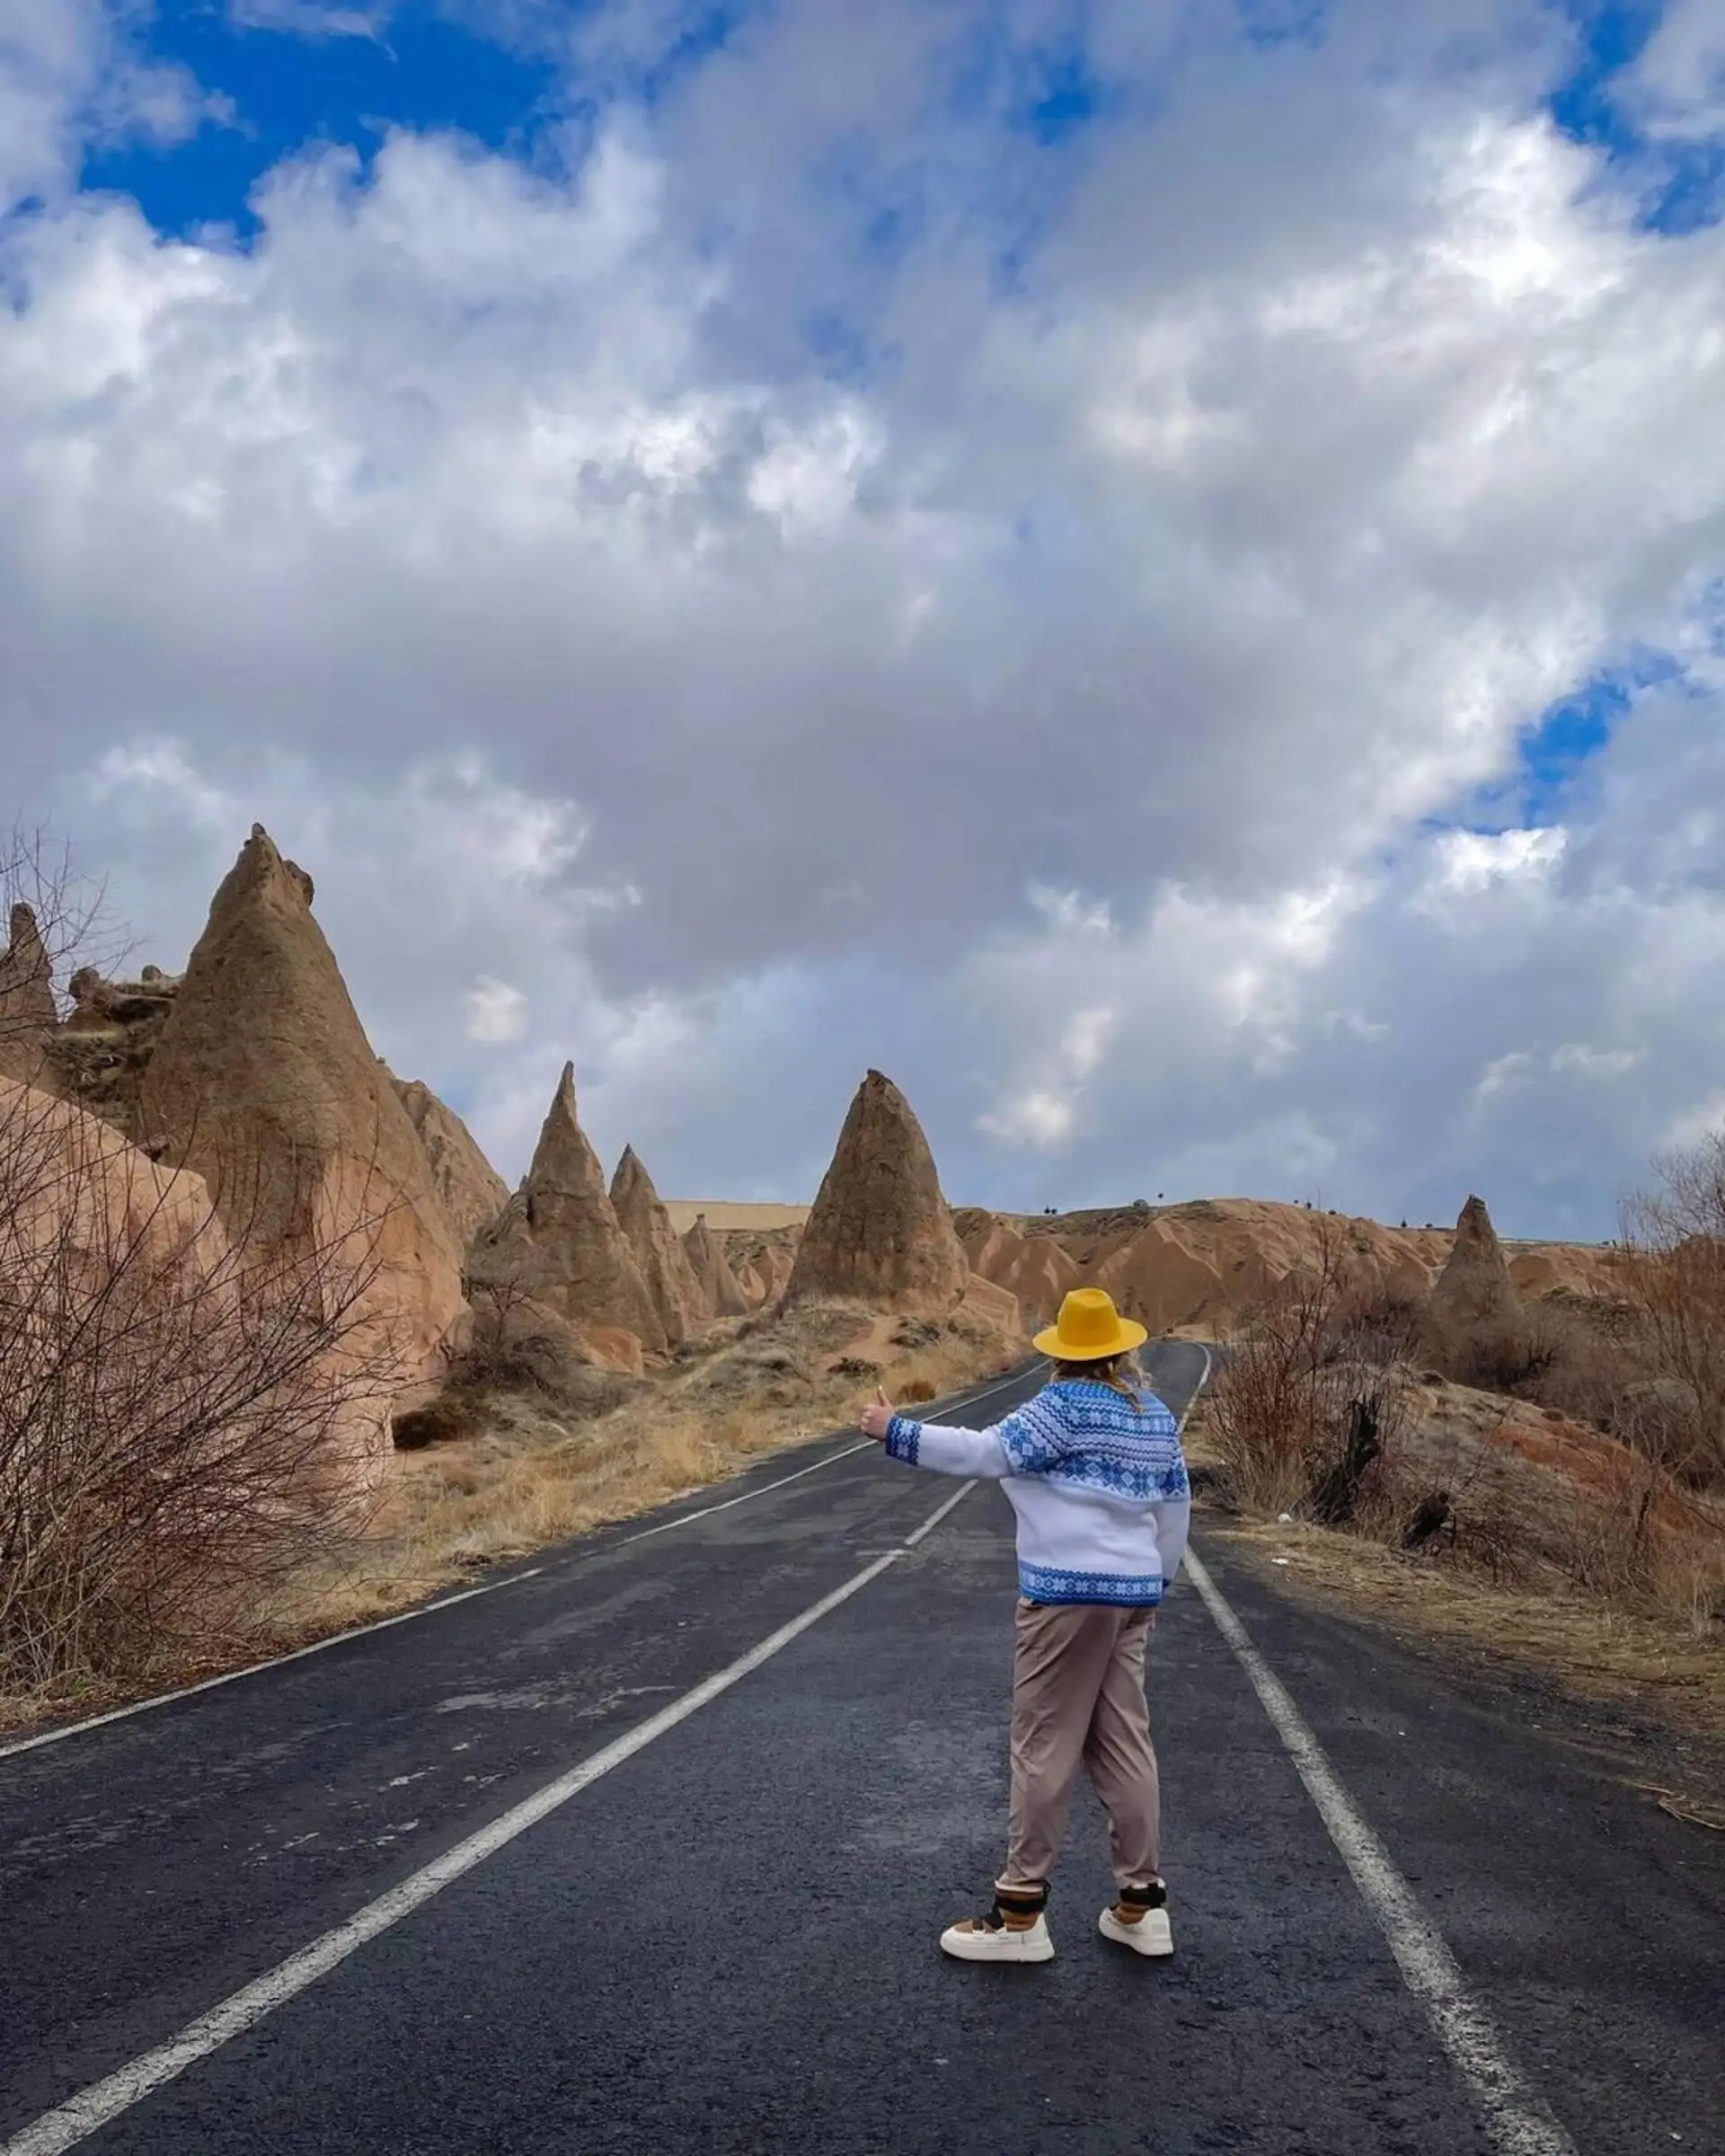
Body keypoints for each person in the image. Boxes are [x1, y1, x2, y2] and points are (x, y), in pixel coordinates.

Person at [859, 1286, 1190, 1966]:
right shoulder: (1154, 1415)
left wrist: (896, 1430)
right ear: (1121, 1351)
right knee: (1125, 1743)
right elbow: (1175, 1507)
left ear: (1063, 1352)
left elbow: (985, 1453)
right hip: (1132, 1597)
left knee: (1043, 1745)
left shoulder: (1059, 1407)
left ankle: (1020, 1914)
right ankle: (1142, 1905)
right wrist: (1153, 1584)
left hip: (1065, 1597)